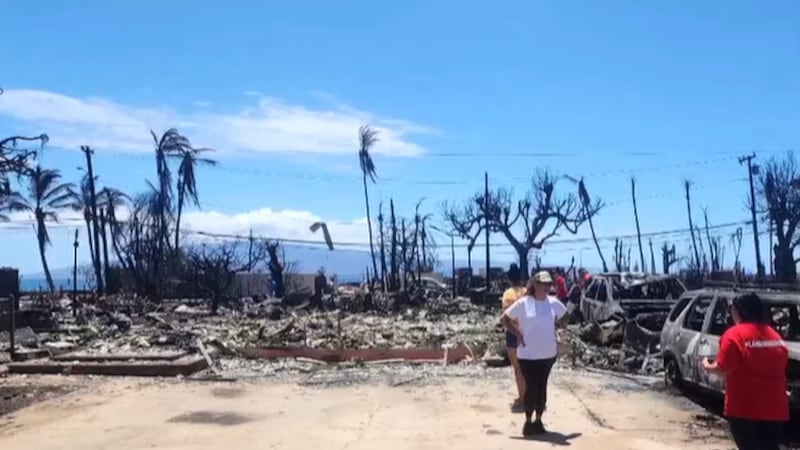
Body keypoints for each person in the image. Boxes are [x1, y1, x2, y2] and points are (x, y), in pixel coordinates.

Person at [702, 293, 789, 450]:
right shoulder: (775, 336)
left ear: (737, 312)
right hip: (775, 408)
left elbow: (723, 368)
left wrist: (707, 366)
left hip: (744, 409)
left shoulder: (734, 335)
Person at [500, 270, 568, 437]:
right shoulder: (523, 303)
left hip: (548, 354)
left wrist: (557, 326)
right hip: (528, 355)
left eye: (549, 284)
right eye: (543, 284)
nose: (547, 287)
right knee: (531, 388)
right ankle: (528, 421)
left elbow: (566, 316)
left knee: (542, 387)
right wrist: (517, 333)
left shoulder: (553, 303)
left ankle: (539, 420)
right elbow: (504, 319)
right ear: (535, 285)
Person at [501, 263, 527, 412]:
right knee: (529, 367)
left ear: (510, 278)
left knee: (518, 368)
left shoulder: (508, 294)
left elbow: (505, 316)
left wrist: (516, 332)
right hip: (529, 332)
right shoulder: (527, 293)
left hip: (513, 333)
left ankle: (522, 398)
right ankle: (529, 396)